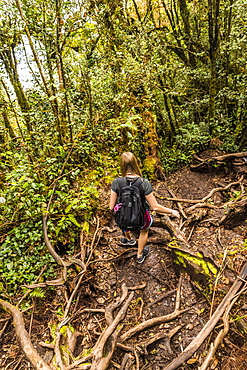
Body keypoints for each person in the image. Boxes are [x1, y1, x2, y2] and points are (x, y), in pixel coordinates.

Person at [110, 152, 180, 263]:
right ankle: (139, 255)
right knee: (144, 230)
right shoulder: (144, 183)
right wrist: (172, 211)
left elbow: (111, 207)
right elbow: (155, 207)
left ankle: (128, 239)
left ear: (122, 165)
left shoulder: (116, 182)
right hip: (140, 219)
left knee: (123, 214)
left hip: (123, 220)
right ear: (135, 163)